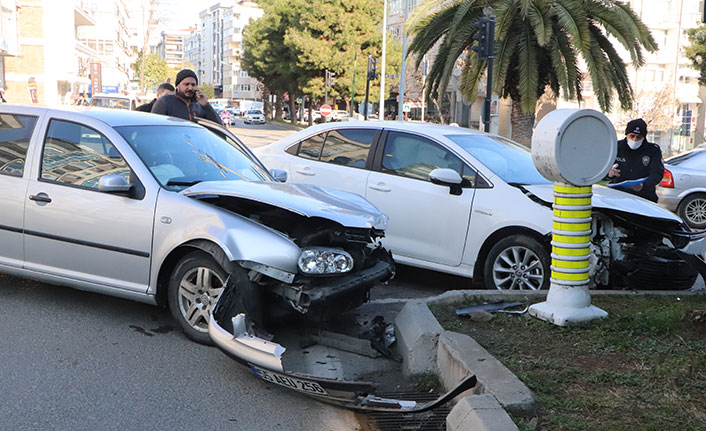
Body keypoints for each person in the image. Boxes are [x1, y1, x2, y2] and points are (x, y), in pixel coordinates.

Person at [607, 118, 664, 203]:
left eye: (638, 137)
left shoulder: (653, 150)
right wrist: (609, 173)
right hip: (618, 195)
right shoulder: (616, 147)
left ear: (643, 137)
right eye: (632, 136)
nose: (634, 140)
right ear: (626, 135)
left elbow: (657, 173)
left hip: (644, 196)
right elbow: (603, 169)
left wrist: (644, 186)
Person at [151, 69, 222, 124]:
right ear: (178, 85)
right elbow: (155, 127)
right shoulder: (165, 102)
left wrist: (206, 105)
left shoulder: (198, 105)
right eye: (186, 84)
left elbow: (218, 126)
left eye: (193, 85)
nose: (190, 88)